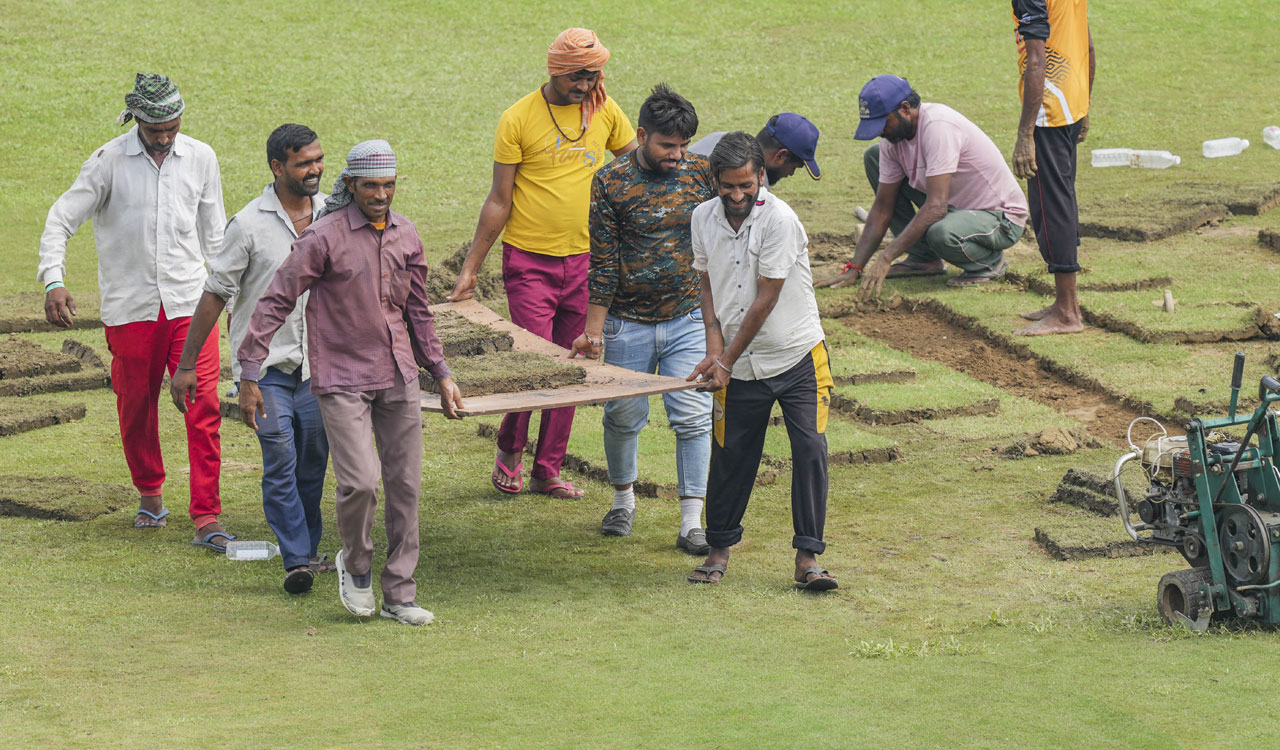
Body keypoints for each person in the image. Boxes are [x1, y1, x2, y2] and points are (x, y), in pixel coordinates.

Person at [237, 140, 464, 625]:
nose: (381, 195)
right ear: (351, 185)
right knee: (361, 483)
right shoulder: (324, 237)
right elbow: (275, 300)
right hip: (341, 378)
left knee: (405, 486)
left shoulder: (407, 235)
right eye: (371, 186)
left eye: (388, 185)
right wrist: (249, 370)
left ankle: (400, 593)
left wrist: (441, 373)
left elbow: (419, 313)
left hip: (398, 375)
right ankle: (356, 565)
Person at [37, 73, 230, 547]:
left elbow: (217, 236)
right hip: (131, 309)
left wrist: (233, 297)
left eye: (171, 128)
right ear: (136, 120)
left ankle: (207, 515)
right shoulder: (107, 161)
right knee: (136, 406)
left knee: (202, 407)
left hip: (191, 304)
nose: (164, 138)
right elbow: (61, 218)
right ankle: (150, 493)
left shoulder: (201, 157)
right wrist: (54, 280)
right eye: (153, 130)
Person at [446, 27, 637, 500]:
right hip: (530, 261)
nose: (586, 84)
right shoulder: (518, 118)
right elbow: (498, 200)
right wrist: (471, 267)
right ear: (555, 69)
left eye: (593, 75)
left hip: (588, 262)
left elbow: (634, 167)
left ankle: (547, 469)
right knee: (533, 361)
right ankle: (510, 450)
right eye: (577, 76)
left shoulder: (605, 110)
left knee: (576, 360)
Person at [170, 124, 332, 595]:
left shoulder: (333, 216)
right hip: (264, 373)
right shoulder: (247, 226)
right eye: (304, 163)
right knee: (280, 455)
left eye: (319, 159)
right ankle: (298, 558)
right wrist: (186, 367)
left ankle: (305, 546)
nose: (316, 169)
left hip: (319, 369)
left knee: (313, 460)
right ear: (278, 167)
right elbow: (214, 295)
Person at [684, 132, 837, 592]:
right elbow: (706, 284)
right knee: (731, 454)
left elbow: (764, 300)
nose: (736, 196)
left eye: (745, 186)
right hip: (738, 364)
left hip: (797, 357)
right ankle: (718, 551)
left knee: (810, 448)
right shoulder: (701, 219)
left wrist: (724, 361)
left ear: (761, 177)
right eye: (727, 186)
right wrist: (715, 349)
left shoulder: (781, 221)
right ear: (715, 181)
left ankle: (807, 559)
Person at [568, 84, 715, 553]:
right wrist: (594, 330)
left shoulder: (702, 174)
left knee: (693, 417)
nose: (677, 154)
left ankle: (692, 521)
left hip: (687, 317)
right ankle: (622, 500)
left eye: (684, 145)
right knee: (623, 415)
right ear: (642, 135)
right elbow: (604, 261)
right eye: (667, 145)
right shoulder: (610, 182)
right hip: (627, 322)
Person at [816, 75, 1029, 296]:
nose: (879, 132)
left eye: (882, 123)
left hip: (998, 217)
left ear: (905, 109)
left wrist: (887, 256)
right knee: (874, 156)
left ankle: (989, 263)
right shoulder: (893, 140)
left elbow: (936, 207)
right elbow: (882, 208)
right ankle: (923, 259)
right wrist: (855, 267)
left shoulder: (938, 127)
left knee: (941, 233)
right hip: (955, 207)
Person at [1011, 0, 1094, 336]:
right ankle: (1063, 302)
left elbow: (1035, 60)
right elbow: (1086, 43)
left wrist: (1024, 133)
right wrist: (1085, 103)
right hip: (1072, 98)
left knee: (1051, 207)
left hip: (1049, 108)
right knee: (1063, 199)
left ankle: (1067, 312)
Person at [688, 113, 821, 187]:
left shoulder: (717, 137)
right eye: (795, 167)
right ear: (780, 156)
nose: (790, 174)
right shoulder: (755, 185)